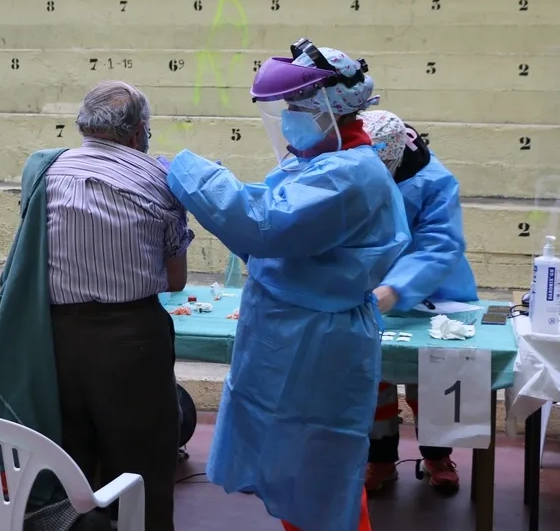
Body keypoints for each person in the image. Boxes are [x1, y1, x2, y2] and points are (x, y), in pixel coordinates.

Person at [165, 39, 411, 531]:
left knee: (318, 478)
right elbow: (272, 238)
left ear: (329, 110)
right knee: (292, 466)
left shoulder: (349, 175)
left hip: (317, 341)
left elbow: (263, 224)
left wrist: (185, 169)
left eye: (299, 108)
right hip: (289, 331)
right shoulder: (314, 161)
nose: (290, 118)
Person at [0, 80, 193, 531]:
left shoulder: (45, 173)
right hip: (132, 339)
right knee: (143, 459)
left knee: (70, 454)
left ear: (84, 125)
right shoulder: (160, 180)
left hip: (55, 337)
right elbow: (176, 280)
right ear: (138, 132)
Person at [361, 109, 479, 495]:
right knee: (372, 379)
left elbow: (439, 244)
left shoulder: (434, 180)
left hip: (436, 292)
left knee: (433, 379)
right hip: (370, 289)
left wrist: (396, 288)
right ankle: (379, 459)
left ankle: (438, 456)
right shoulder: (352, 167)